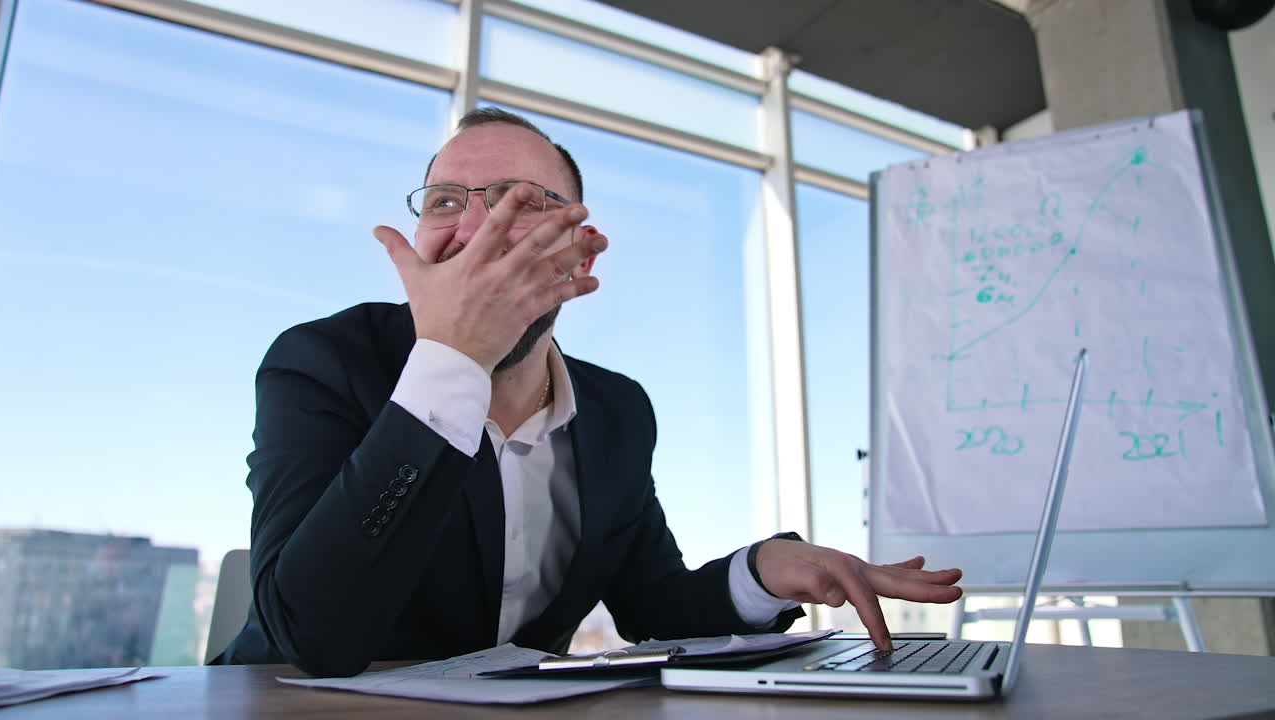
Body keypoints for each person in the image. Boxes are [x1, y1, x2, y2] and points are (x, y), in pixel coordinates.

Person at [216, 107, 962, 677]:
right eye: (445, 201)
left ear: (580, 253)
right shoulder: (320, 362)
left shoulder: (617, 412)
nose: (475, 226)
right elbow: (311, 634)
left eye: (515, 200)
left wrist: (764, 572)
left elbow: (653, 606)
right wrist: (453, 361)